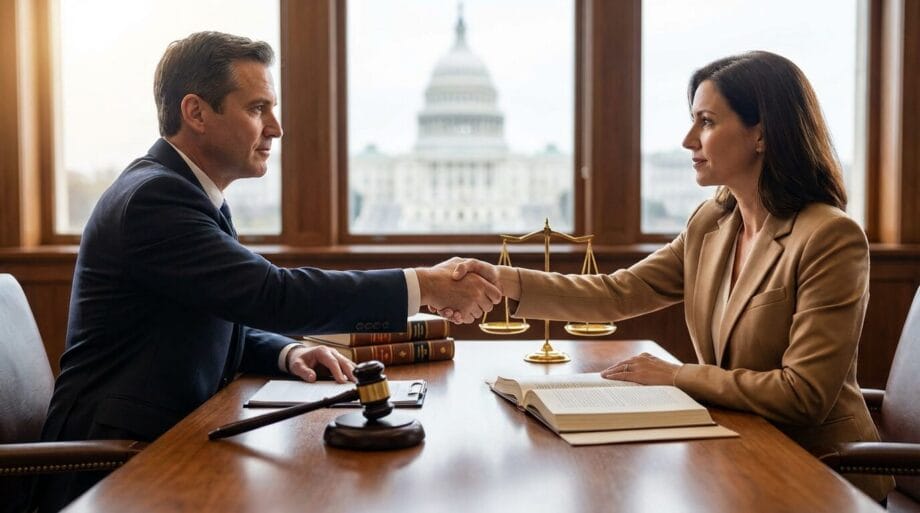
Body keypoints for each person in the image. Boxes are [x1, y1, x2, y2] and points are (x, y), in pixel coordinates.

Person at [36, 31, 499, 512]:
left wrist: (286, 352)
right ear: (195, 113)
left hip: (167, 445)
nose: (276, 128)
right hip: (115, 471)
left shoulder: (185, 192)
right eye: (258, 109)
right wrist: (423, 286)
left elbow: (210, 314)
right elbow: (270, 293)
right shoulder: (155, 200)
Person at [445, 51, 894, 502]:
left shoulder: (830, 237)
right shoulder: (712, 223)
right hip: (737, 453)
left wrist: (677, 375)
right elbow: (617, 293)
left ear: (761, 133)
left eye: (706, 122)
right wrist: (506, 280)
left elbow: (803, 394)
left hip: (820, 473)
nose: (687, 140)